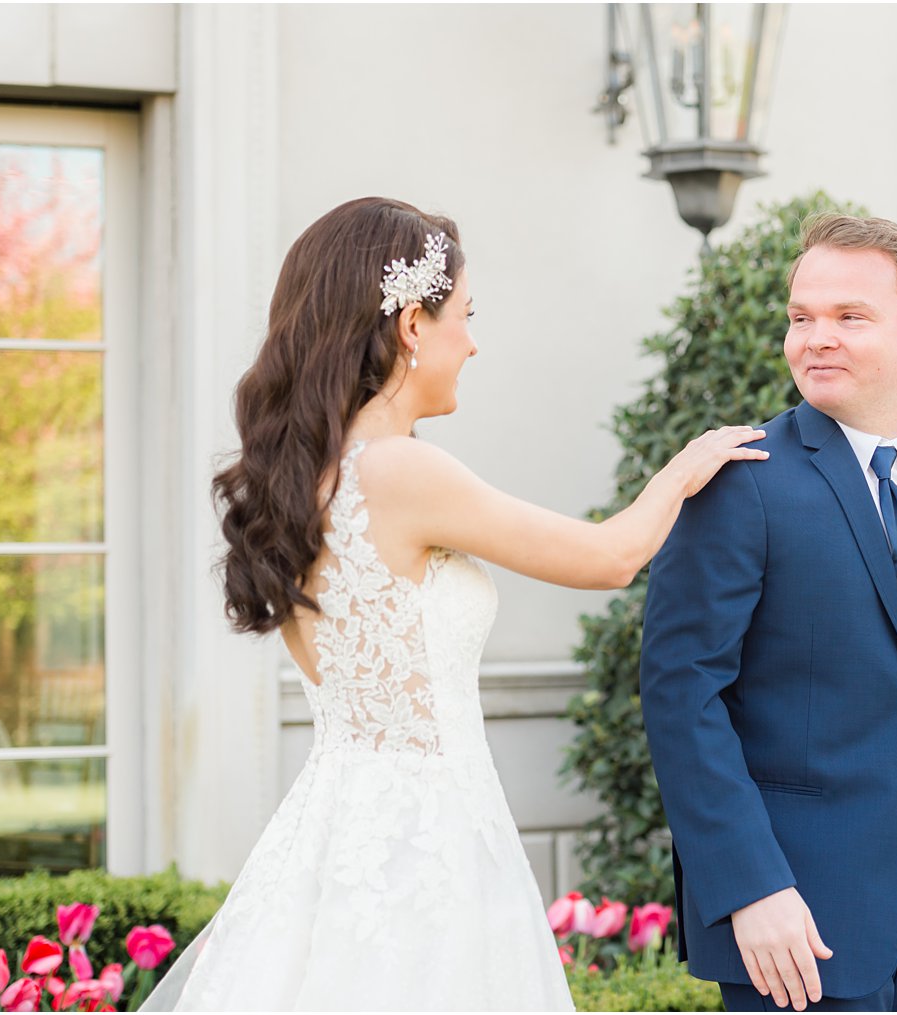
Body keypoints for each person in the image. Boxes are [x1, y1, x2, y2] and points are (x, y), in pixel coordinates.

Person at [142, 197, 767, 1011]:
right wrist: (688, 465)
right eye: (464, 316)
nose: (472, 341)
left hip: (336, 828)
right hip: (422, 839)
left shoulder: (310, 479)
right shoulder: (400, 471)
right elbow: (610, 556)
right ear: (411, 324)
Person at [640, 214, 897, 1012]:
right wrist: (752, 887)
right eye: (801, 316)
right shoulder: (740, 480)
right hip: (789, 928)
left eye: (850, 317)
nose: (817, 337)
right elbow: (682, 694)